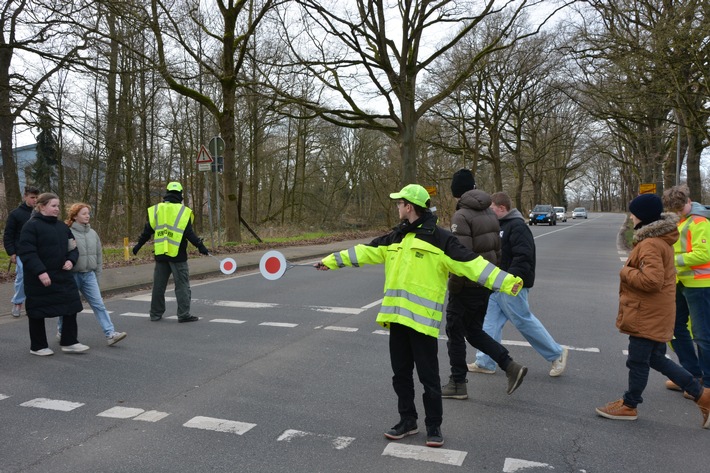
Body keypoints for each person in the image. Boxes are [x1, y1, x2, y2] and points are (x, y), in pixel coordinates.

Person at [314, 184, 524, 448]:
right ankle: (407, 421)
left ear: (409, 206)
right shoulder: (396, 237)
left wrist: (507, 282)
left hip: (422, 324)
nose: (397, 207)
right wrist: (331, 260)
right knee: (400, 375)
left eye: (399, 203)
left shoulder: (441, 239)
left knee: (429, 378)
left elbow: (473, 264)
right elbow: (364, 252)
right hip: (398, 320)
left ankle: (434, 427)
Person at [595, 193, 710, 427]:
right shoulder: (658, 240)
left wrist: (625, 271)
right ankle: (702, 395)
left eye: (633, 212)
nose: (631, 215)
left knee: (637, 360)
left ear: (643, 216)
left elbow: (651, 281)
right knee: (656, 358)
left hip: (646, 312)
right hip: (654, 310)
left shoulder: (649, 244)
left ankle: (630, 405)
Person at [442, 170, 528, 401]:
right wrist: (491, 281)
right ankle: (510, 366)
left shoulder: (461, 216)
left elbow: (461, 258)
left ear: (456, 191)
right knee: (474, 331)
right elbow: (498, 252)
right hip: (485, 284)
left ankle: (457, 382)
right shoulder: (490, 213)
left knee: (455, 331)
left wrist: (455, 287)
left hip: (467, 286)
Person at [471, 192, 568, 377]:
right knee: (489, 323)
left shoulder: (517, 226)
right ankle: (485, 361)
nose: (488, 212)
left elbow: (523, 256)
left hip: (511, 284)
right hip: (495, 284)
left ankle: (557, 354)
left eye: (491, 208)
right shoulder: (498, 226)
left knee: (523, 321)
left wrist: (511, 280)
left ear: (501, 208)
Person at [17, 192, 88, 356]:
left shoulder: (62, 227)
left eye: (58, 206)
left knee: (71, 306)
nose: (57, 209)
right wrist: (41, 272)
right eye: (53, 206)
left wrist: (71, 260)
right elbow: (27, 252)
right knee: (37, 311)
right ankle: (38, 346)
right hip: (39, 279)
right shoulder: (31, 226)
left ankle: (70, 342)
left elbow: (73, 248)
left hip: (62, 276)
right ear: (42, 206)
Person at [132, 181, 209, 323]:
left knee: (158, 286)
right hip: (178, 255)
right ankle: (183, 314)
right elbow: (188, 233)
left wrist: (138, 245)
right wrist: (200, 246)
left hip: (161, 254)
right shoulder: (183, 211)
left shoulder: (157, 209)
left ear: (166, 193)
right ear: (180, 194)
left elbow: (147, 230)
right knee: (182, 286)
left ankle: (155, 314)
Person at [662, 185, 710, 397]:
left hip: (701, 284)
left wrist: (672, 261)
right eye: (674, 210)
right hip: (682, 281)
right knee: (673, 328)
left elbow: (704, 254)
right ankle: (691, 376)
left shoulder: (700, 221)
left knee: (703, 335)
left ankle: (706, 385)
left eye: (680, 208)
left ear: (688, 201)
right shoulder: (682, 220)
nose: (678, 212)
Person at [57, 203, 127, 346]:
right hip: (72, 275)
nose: (87, 215)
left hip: (89, 275)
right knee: (68, 306)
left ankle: (110, 334)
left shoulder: (93, 233)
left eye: (88, 213)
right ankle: (61, 330)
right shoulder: (68, 232)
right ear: (75, 216)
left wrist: (97, 276)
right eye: (84, 213)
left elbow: (99, 257)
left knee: (99, 305)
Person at [3, 186, 40, 317]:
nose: (35, 200)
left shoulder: (41, 213)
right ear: (25, 197)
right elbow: (8, 235)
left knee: (39, 276)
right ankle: (18, 302)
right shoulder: (16, 214)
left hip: (39, 251)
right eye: (32, 197)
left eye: (36, 197)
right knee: (22, 276)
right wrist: (12, 252)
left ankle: (34, 303)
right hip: (21, 252)